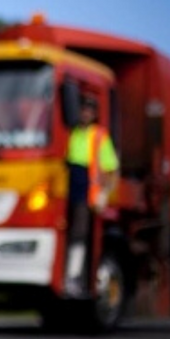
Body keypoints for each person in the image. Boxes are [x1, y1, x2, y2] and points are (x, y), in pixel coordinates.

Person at [64, 95, 119, 297]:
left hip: (86, 191)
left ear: (94, 113)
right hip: (68, 187)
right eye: (82, 109)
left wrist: (104, 193)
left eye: (88, 110)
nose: (84, 113)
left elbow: (111, 167)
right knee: (66, 232)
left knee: (79, 234)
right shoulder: (73, 132)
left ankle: (74, 277)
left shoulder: (99, 135)